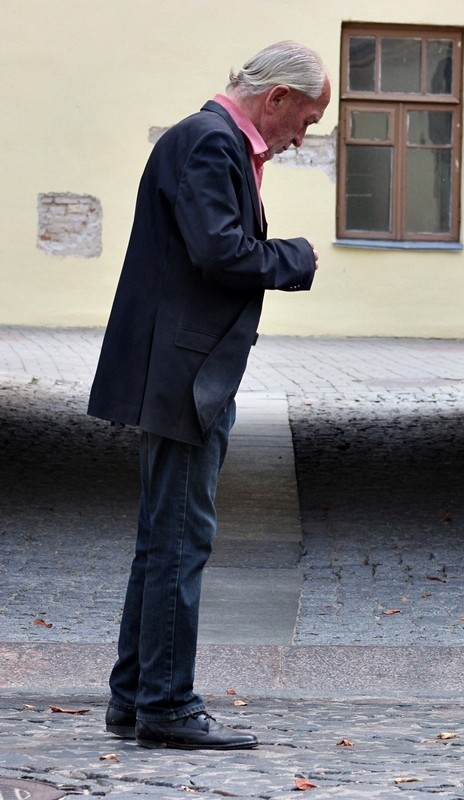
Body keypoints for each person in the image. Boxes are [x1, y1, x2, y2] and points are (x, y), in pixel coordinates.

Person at [87, 41, 331, 750]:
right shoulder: (210, 142)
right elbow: (219, 252)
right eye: (306, 120)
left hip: (183, 370)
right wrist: (295, 256)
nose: (301, 137)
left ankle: (135, 698)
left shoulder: (211, 140)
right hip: (184, 375)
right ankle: (165, 703)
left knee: (163, 539)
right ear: (276, 98)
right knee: (178, 541)